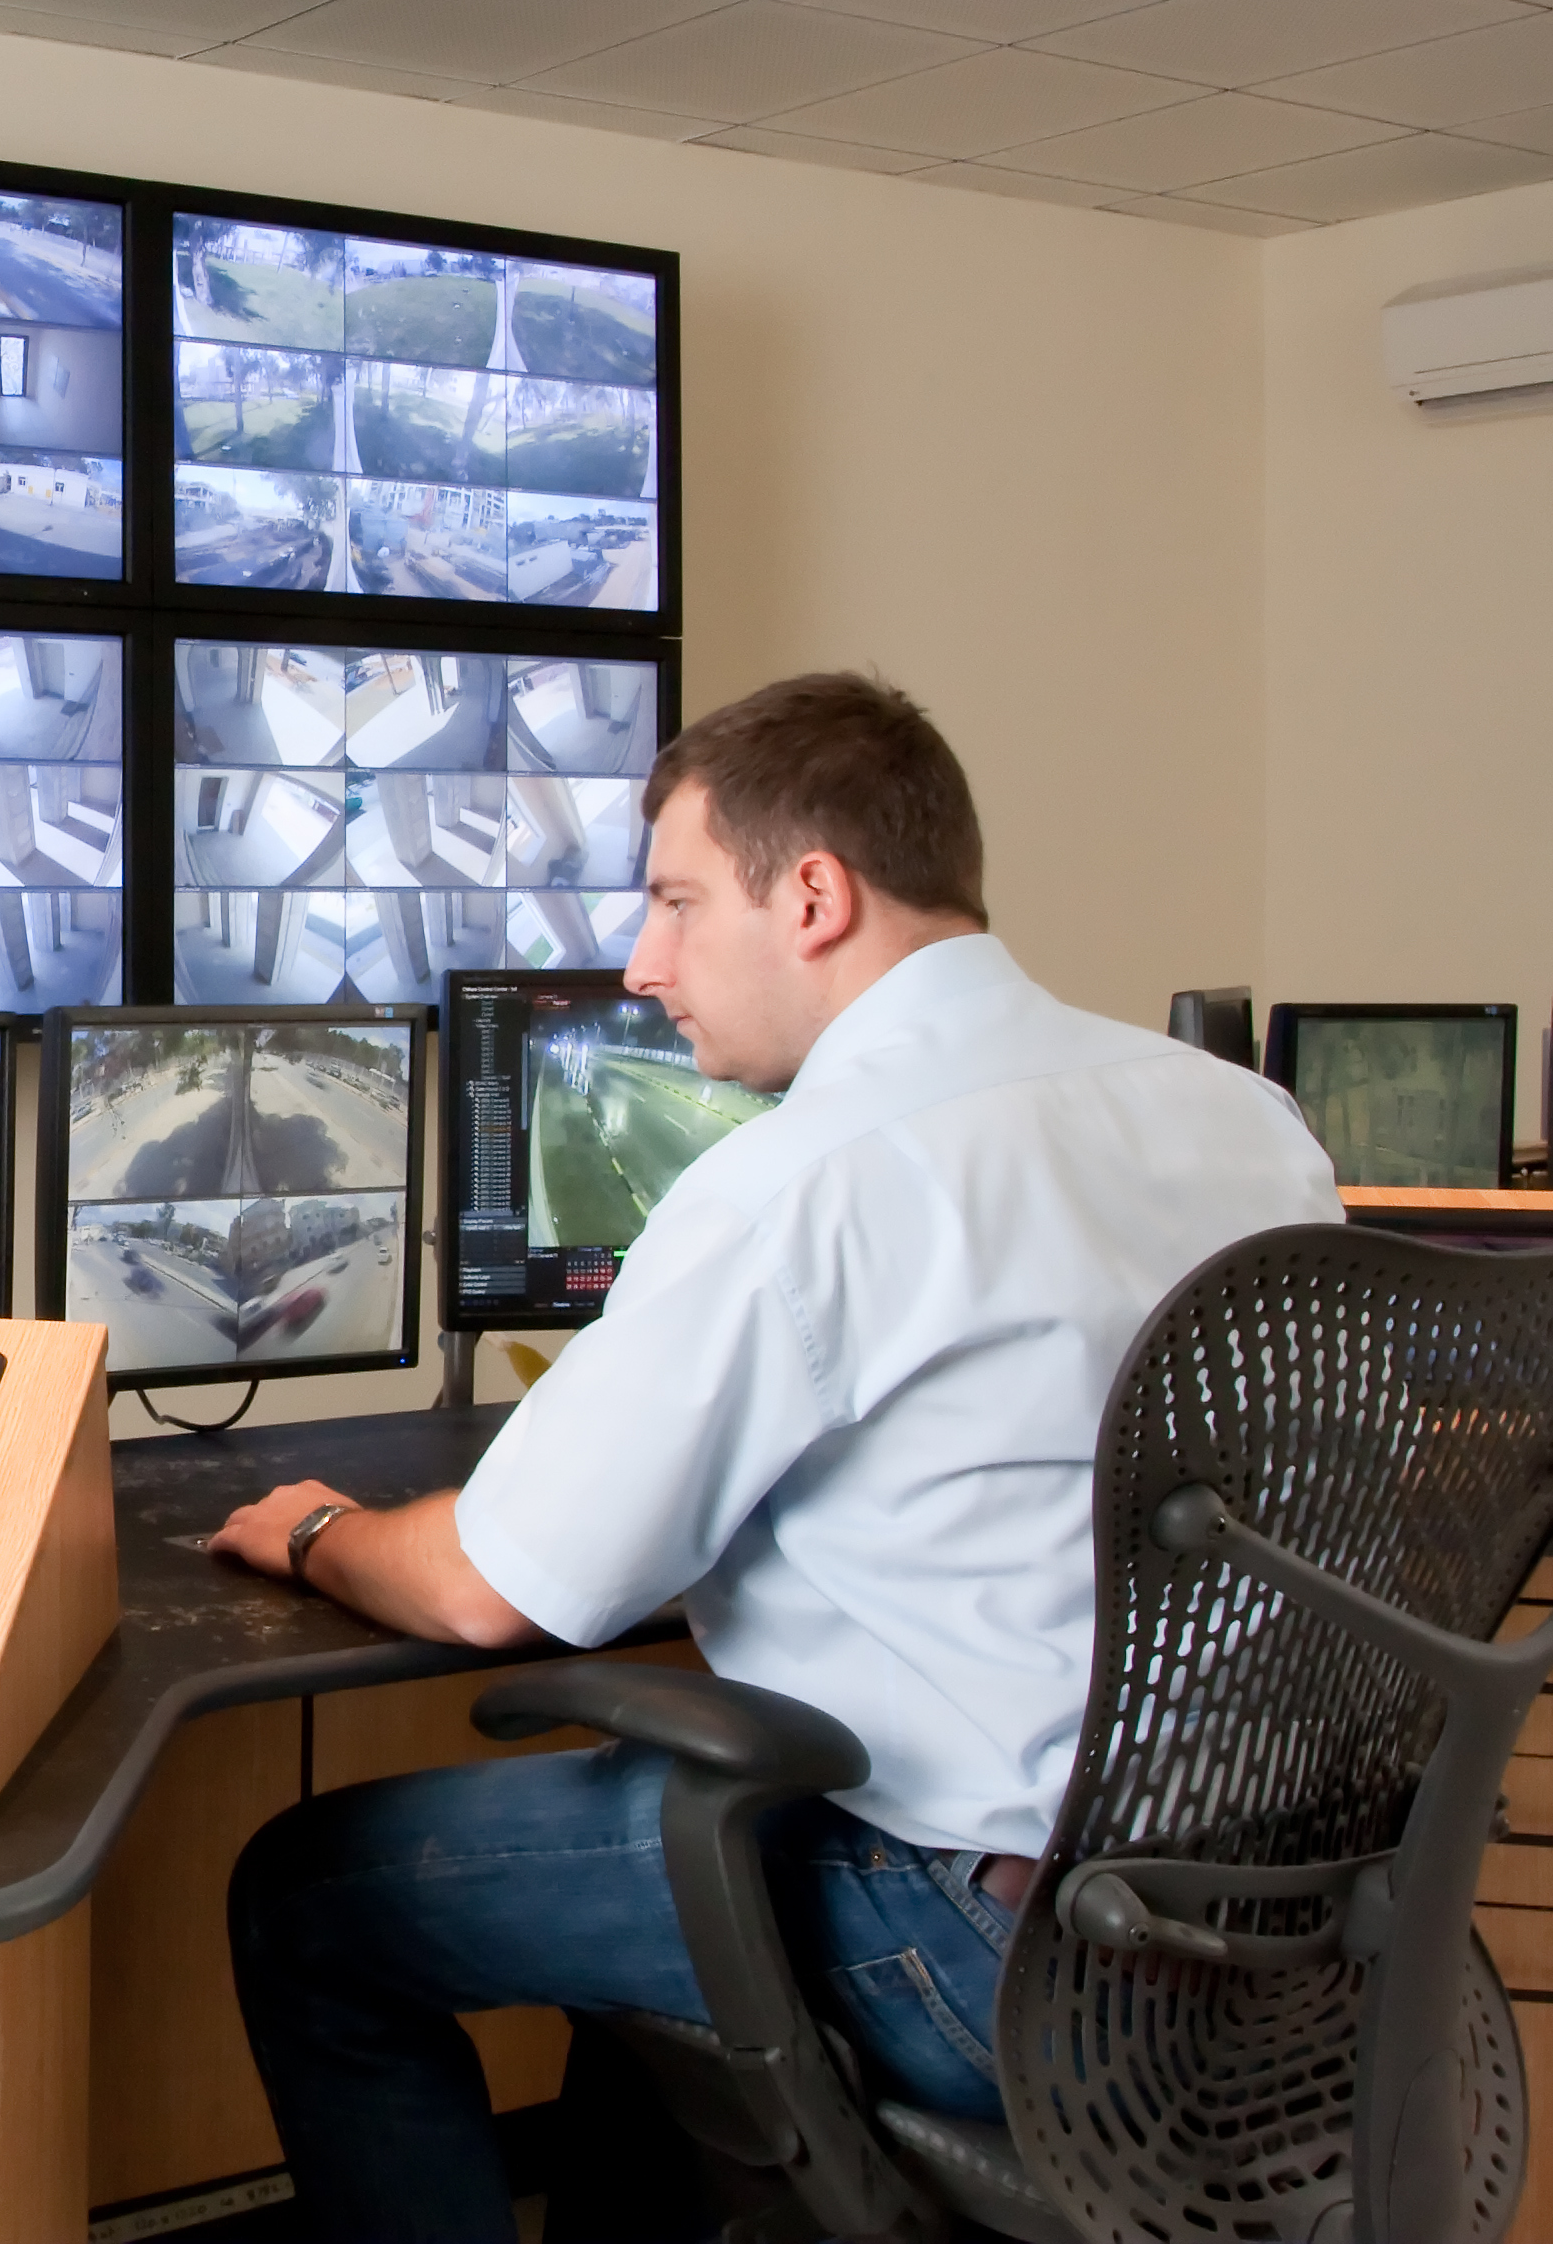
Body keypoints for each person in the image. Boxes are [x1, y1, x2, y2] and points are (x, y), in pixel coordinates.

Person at [215, 673, 1338, 2243]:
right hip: (1270, 1940)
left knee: (309, 1903)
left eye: (675, 901)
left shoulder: (807, 1180)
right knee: (644, 1899)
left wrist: (322, 1523)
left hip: (982, 1952)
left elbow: (488, 1591)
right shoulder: (1247, 1123)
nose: (641, 963)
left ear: (812, 895)